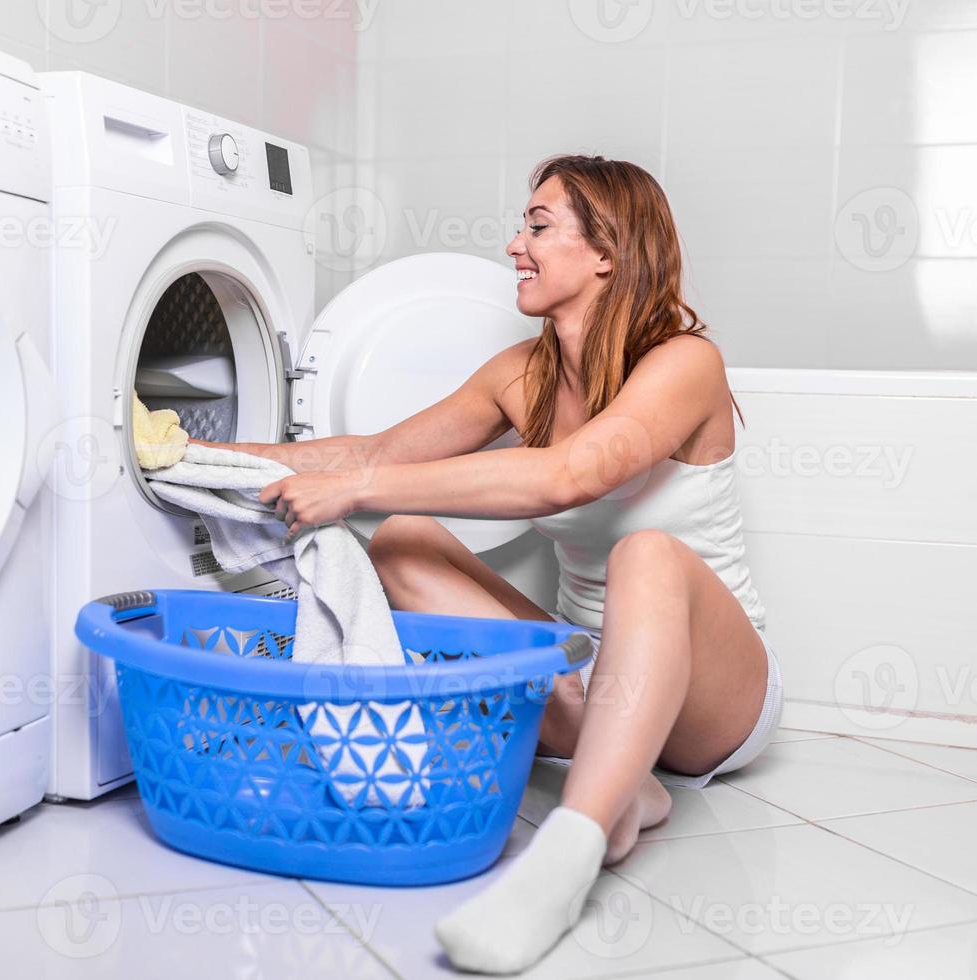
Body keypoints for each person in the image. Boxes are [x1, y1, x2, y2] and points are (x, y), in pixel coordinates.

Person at [203, 154, 783, 974]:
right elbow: (371, 449)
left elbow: (571, 473)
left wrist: (358, 487)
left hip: (713, 695)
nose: (516, 244)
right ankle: (623, 780)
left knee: (647, 555)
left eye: (539, 226)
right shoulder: (523, 375)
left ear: (609, 250)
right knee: (404, 535)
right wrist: (209, 454)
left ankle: (571, 852)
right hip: (587, 679)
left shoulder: (686, 363)